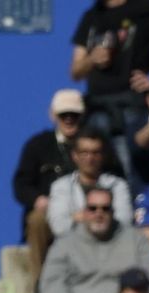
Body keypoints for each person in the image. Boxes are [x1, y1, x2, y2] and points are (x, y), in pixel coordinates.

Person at [70, 0, 149, 189]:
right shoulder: (92, 16)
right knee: (96, 178)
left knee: (132, 174)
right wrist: (92, 58)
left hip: (131, 109)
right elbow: (75, 71)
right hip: (96, 110)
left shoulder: (143, 11)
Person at [13, 89, 93, 283]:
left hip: (87, 212)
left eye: (73, 115)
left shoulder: (94, 145)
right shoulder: (38, 145)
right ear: (53, 115)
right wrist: (37, 200)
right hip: (51, 213)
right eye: (63, 115)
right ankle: (41, 290)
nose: (68, 119)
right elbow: (21, 184)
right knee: (37, 220)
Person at [47, 132, 133, 239]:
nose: (90, 158)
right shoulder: (60, 186)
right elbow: (59, 227)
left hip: (110, 247)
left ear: (103, 155)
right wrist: (102, 217)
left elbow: (125, 223)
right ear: (75, 155)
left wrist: (78, 217)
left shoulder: (117, 185)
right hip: (72, 247)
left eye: (95, 153)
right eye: (84, 153)